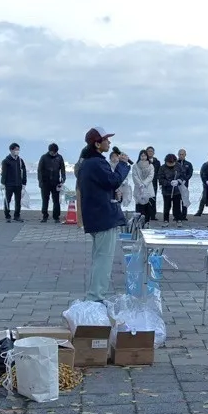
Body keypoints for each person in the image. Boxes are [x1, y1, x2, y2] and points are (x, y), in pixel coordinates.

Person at [79, 127, 130, 302]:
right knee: (103, 260)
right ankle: (96, 298)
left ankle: (95, 296)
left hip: (95, 216)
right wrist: (123, 165)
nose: (110, 143)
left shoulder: (87, 162)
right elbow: (113, 180)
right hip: (103, 217)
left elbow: (102, 186)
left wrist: (111, 193)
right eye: (106, 140)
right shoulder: (97, 163)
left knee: (99, 258)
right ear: (97, 143)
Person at [35, 143, 66, 223]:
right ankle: (45, 216)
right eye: (52, 152)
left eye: (55, 152)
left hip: (56, 182)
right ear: (49, 151)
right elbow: (39, 171)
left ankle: (56, 217)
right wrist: (40, 182)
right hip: (45, 182)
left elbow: (62, 169)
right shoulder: (44, 157)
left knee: (56, 200)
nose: (54, 154)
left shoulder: (59, 157)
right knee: (45, 199)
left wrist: (63, 178)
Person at [1, 142, 27, 223]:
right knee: (7, 200)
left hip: (18, 184)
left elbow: (24, 172)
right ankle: (7, 216)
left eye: (18, 150)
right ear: (11, 150)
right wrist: (2, 183)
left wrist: (24, 184)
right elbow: (4, 173)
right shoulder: (6, 161)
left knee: (18, 201)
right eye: (16, 150)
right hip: (9, 184)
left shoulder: (20, 160)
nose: (17, 151)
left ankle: (17, 216)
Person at [131, 150, 154, 225]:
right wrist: (139, 184)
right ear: (139, 156)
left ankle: (147, 223)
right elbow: (134, 176)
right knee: (139, 206)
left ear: (147, 156)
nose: (143, 157)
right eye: (142, 155)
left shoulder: (150, 165)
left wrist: (144, 184)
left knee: (148, 207)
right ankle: (138, 224)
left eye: (144, 155)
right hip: (138, 188)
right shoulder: (135, 166)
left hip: (148, 188)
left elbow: (151, 176)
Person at [176, 149, 193, 222]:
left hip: (185, 184)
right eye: (180, 154)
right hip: (177, 184)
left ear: (185, 155)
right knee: (176, 200)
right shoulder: (175, 163)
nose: (181, 155)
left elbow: (190, 173)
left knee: (184, 199)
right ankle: (177, 215)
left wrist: (186, 179)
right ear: (178, 155)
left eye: (183, 154)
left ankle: (184, 215)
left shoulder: (188, 164)